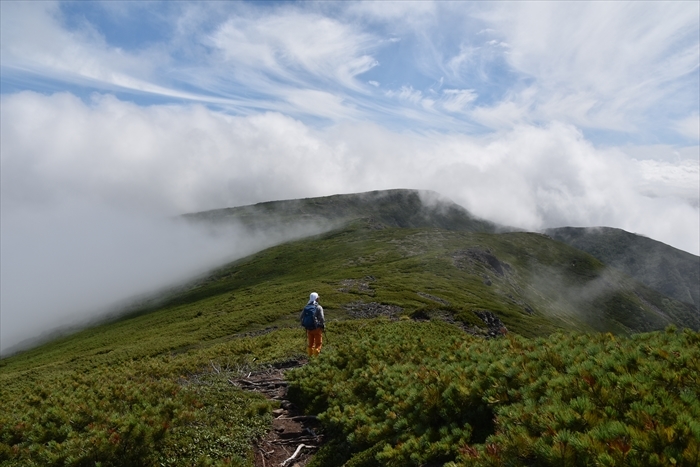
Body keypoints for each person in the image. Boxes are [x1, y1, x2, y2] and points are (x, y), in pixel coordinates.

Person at [300, 292, 325, 356]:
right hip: (317, 328)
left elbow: (301, 316)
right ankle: (316, 358)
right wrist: (322, 325)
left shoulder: (306, 307)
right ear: (316, 298)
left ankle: (310, 356)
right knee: (318, 344)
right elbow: (322, 318)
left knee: (310, 344)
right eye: (318, 297)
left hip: (308, 329)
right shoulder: (318, 307)